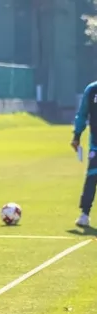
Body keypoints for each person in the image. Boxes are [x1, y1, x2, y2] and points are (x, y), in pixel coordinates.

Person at [72, 81, 97, 227]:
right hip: (96, 144)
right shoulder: (92, 89)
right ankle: (85, 214)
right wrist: (76, 136)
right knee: (92, 177)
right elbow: (82, 113)